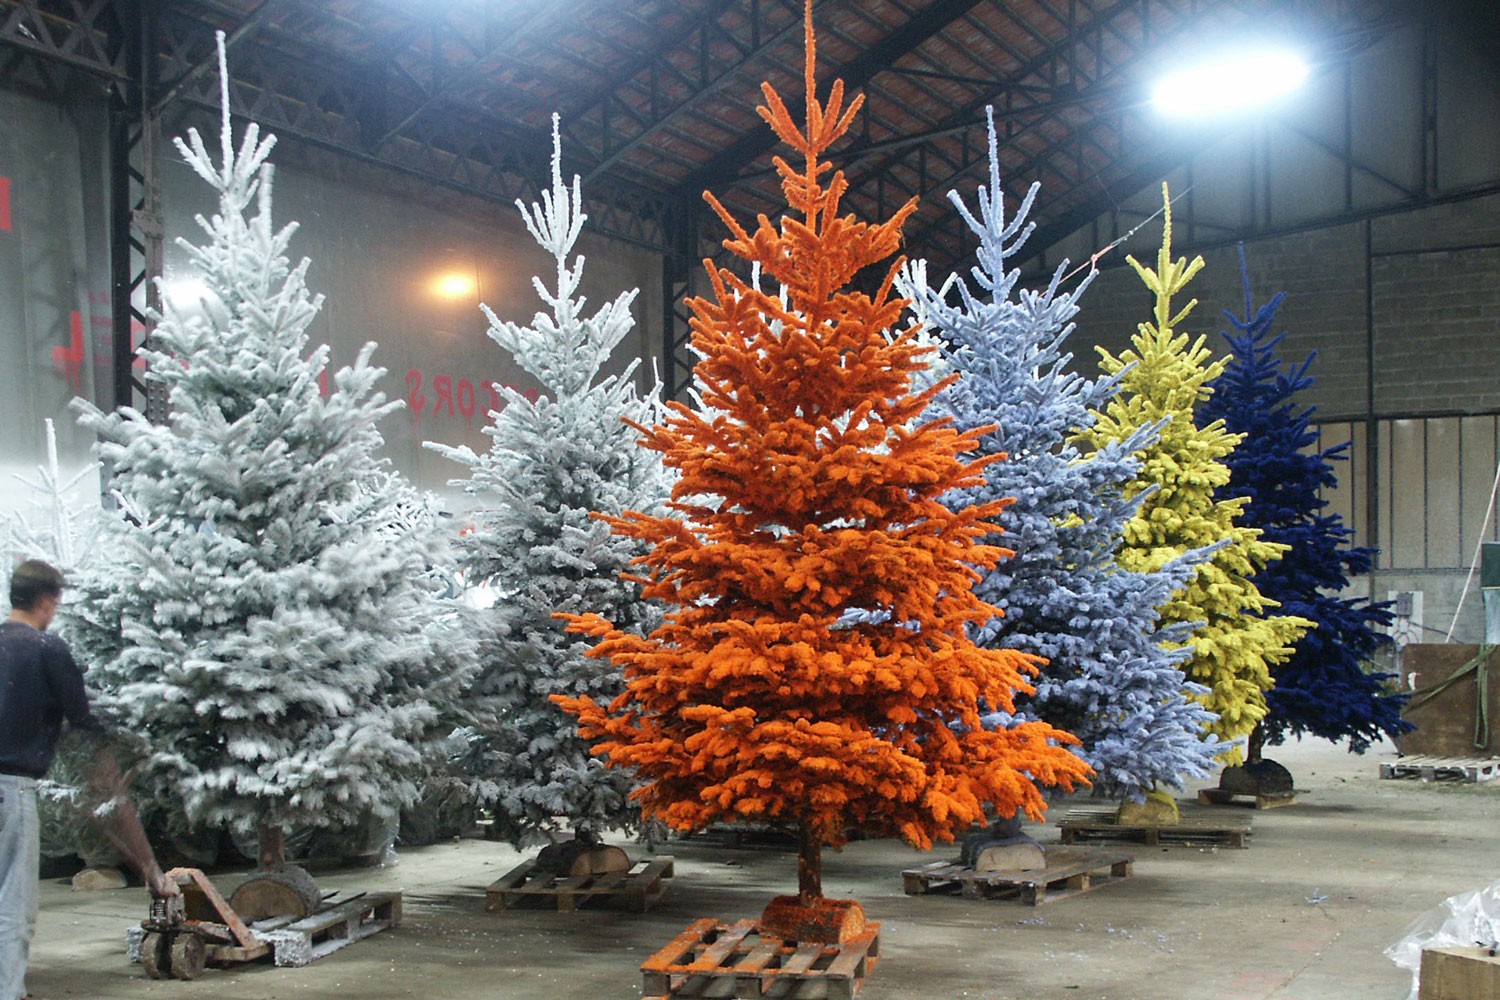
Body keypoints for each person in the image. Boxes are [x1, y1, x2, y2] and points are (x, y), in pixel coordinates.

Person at [0, 559, 177, 1000]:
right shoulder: (47, 649)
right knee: (13, 904)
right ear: (46, 600)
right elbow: (83, 724)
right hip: (11, 792)